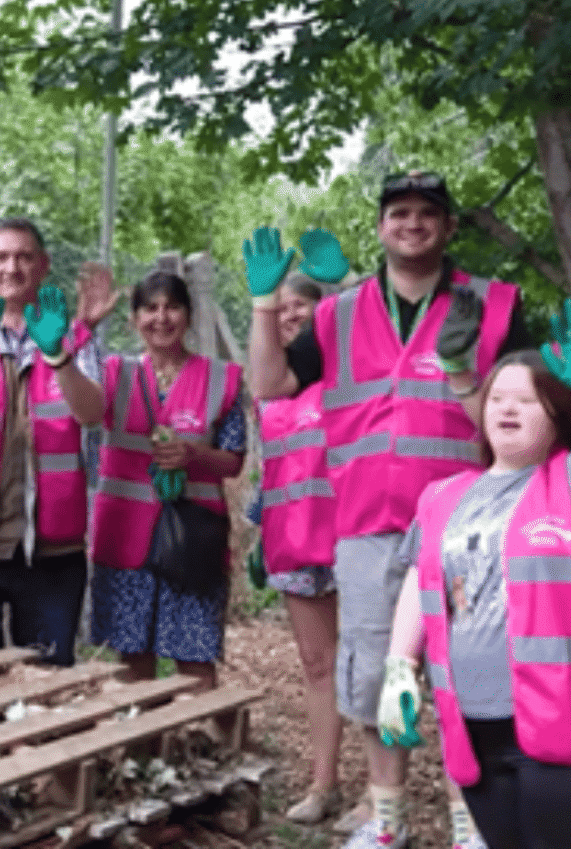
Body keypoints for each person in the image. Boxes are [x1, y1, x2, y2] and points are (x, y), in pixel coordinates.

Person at [247, 172, 530, 849]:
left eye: (427, 213)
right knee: (378, 673)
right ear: (379, 227)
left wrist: (464, 373)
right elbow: (270, 382)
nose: (411, 223)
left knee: (472, 674)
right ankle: (388, 819)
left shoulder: (491, 306)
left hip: (469, 525)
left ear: (449, 227)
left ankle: (474, 824)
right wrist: (262, 305)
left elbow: (516, 420)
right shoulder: (336, 314)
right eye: (398, 212)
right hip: (368, 524)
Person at [379, 314, 571, 849]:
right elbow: (420, 575)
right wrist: (398, 668)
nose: (505, 407)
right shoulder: (444, 496)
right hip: (478, 732)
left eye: (525, 400)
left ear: (558, 413)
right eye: (497, 397)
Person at [0, 218, 116, 667]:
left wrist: (58, 355)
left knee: (49, 685)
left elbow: (92, 413)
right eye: (1, 257)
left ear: (44, 266)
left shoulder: (71, 339)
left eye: (25, 257)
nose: (13, 267)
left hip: (52, 549)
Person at [53, 270, 245, 689]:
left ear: (189, 316)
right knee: (131, 656)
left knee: (195, 661)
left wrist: (194, 456)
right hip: (125, 540)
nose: (162, 318)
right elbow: (68, 388)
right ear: (133, 320)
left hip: (192, 540)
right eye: (150, 308)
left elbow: (233, 461)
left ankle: (202, 746)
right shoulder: (113, 373)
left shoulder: (220, 378)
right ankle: (144, 748)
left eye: (172, 307)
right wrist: (82, 327)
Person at [245, 271, 346, 821]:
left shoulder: (346, 375)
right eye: (279, 309)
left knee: (376, 664)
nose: (289, 316)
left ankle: (387, 792)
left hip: (351, 538)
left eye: (301, 308)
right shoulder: (267, 390)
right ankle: (324, 783)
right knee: (316, 663)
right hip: (293, 542)